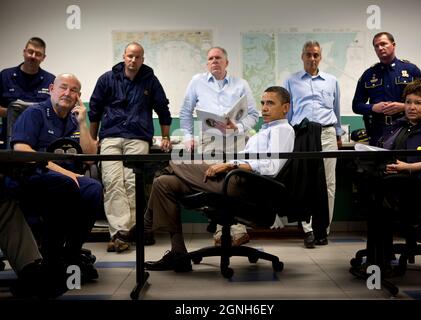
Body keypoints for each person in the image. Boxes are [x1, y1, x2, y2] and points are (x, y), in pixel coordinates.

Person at [144, 86, 294, 271]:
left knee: (176, 162)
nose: (264, 108)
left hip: (246, 186)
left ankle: (144, 227)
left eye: (270, 103)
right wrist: (229, 163)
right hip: (236, 178)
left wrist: (230, 165)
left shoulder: (283, 130)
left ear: (285, 108)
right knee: (164, 184)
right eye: (263, 103)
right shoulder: (265, 131)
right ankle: (178, 254)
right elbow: (251, 160)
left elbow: (271, 167)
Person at [10, 73, 103, 282]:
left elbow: (89, 159)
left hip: (67, 179)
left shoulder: (74, 119)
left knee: (94, 189)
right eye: (63, 87)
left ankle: (70, 252)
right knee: (66, 185)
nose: (67, 93)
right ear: (51, 89)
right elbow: (22, 149)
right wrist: (67, 173)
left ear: (79, 96)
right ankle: (52, 256)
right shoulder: (34, 113)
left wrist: (83, 123)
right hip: (33, 177)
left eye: (74, 90)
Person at [89, 42, 172, 253]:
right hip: (110, 137)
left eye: (137, 57)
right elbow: (95, 111)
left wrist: (165, 137)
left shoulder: (150, 81)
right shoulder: (107, 79)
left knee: (132, 183)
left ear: (142, 59)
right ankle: (119, 233)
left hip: (138, 137)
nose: (133, 60)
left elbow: (163, 109)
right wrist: (91, 139)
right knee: (112, 182)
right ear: (124, 57)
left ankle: (129, 231)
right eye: (130, 56)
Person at [364, 80, 421, 270]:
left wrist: (408, 167)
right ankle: (379, 258)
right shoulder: (396, 126)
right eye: (408, 102)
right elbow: (380, 150)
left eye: (418, 102)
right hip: (392, 184)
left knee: (378, 204)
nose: (411, 107)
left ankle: (378, 260)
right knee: (373, 194)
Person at [178, 46, 259, 247]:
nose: (214, 61)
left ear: (226, 62)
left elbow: (254, 115)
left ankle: (239, 230)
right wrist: (188, 136)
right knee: (213, 182)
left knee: (236, 182)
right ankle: (221, 231)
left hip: (236, 139)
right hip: (210, 139)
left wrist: (239, 126)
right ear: (207, 63)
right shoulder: (197, 82)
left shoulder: (241, 84)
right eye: (211, 58)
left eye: (218, 58)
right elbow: (186, 111)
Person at [283, 40, 344, 248]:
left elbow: (336, 109)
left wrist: (337, 134)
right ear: (302, 56)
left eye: (316, 55)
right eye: (308, 54)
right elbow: (288, 113)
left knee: (328, 183)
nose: (312, 59)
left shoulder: (332, 81)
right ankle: (308, 230)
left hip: (326, 133)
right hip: (302, 134)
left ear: (321, 57)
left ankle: (323, 230)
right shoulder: (291, 81)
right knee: (305, 182)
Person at [352, 32, 421, 146]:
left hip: (407, 129)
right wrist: (373, 108)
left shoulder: (411, 70)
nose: (380, 48)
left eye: (383, 44)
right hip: (378, 132)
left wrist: (403, 107)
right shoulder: (368, 74)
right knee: (380, 164)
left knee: (405, 162)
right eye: (376, 46)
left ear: (393, 45)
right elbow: (356, 105)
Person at [0, 37, 55, 148]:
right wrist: (14, 112)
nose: (33, 56)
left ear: (43, 58)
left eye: (38, 54)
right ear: (24, 52)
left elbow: (55, 111)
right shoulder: (5, 76)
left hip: (41, 141)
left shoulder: (51, 80)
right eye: (30, 52)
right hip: (10, 137)